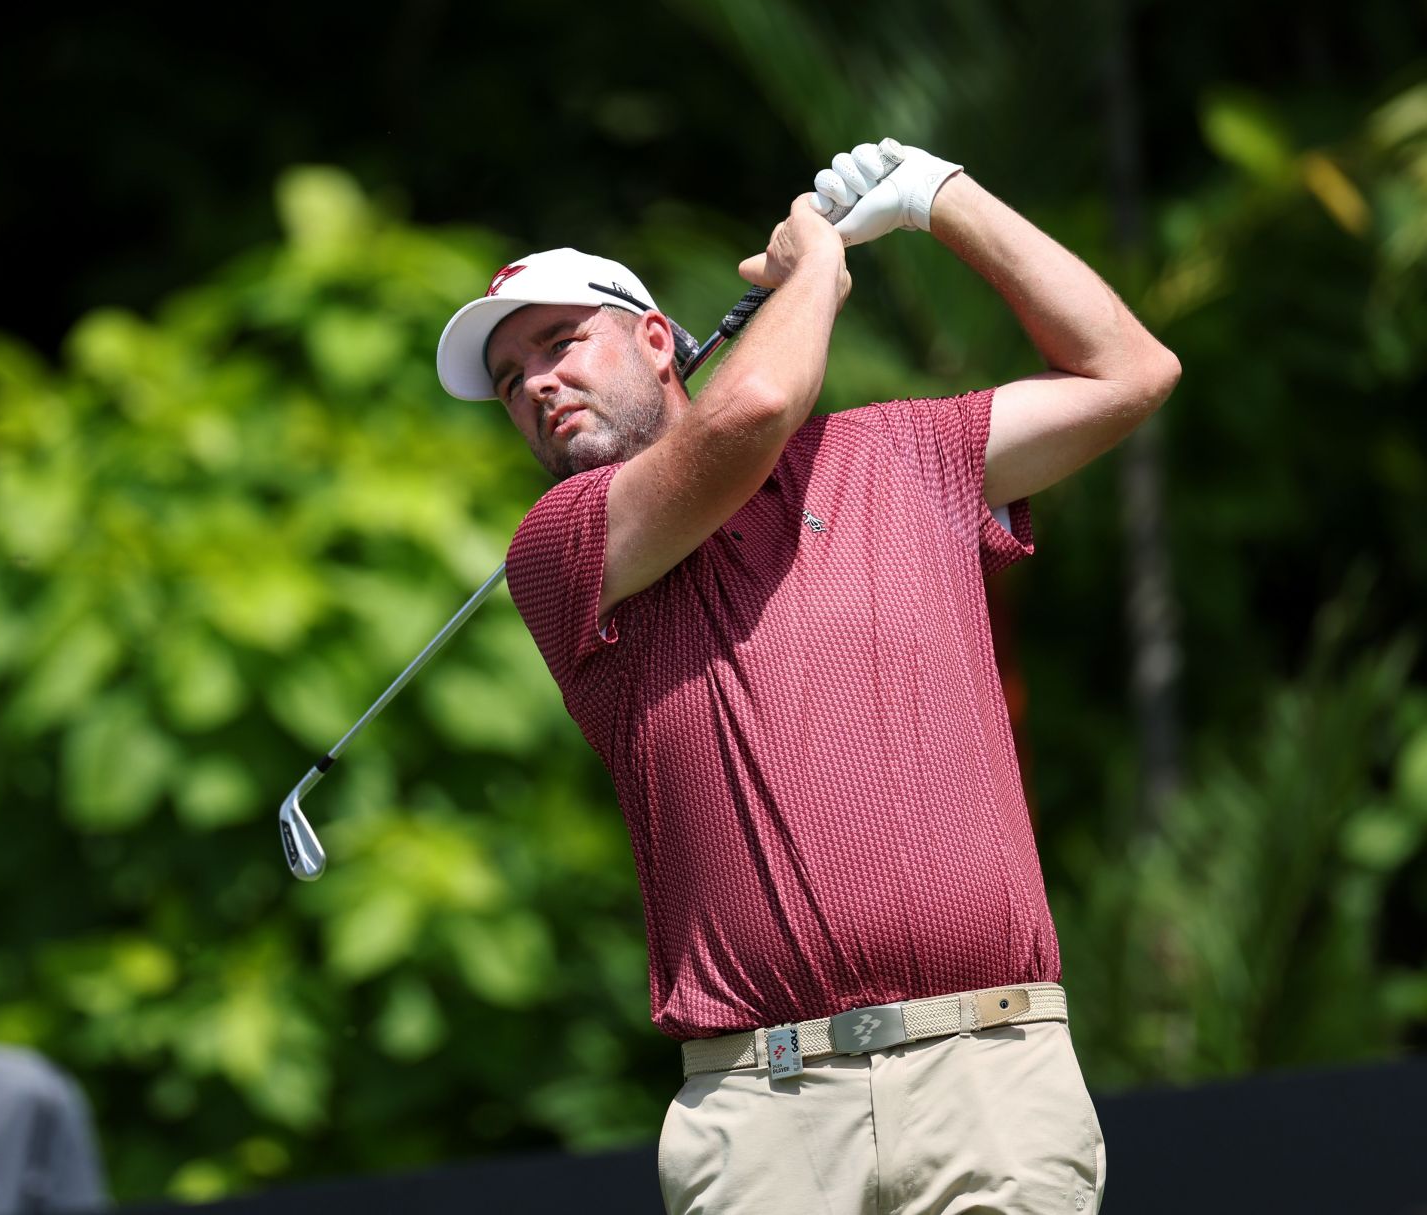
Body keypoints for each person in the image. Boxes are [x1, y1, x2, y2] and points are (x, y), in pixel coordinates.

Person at [432, 140, 1178, 1214]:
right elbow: (752, 407)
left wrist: (942, 197)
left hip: (989, 1071)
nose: (538, 384)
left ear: (655, 341)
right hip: (763, 1117)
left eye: (560, 343)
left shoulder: (903, 455)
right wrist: (819, 262)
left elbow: (1132, 372)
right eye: (511, 381)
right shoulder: (561, 548)